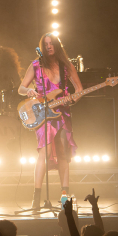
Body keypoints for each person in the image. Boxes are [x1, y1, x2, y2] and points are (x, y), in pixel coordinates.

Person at [18, 33, 82, 209]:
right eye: (45, 44)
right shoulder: (36, 65)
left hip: (62, 113)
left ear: (56, 45)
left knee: (63, 155)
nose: (48, 46)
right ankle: (36, 199)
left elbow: (79, 89)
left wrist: (73, 99)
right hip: (43, 114)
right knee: (43, 154)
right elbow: (21, 88)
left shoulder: (66, 66)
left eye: (51, 43)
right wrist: (28, 91)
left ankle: (64, 198)